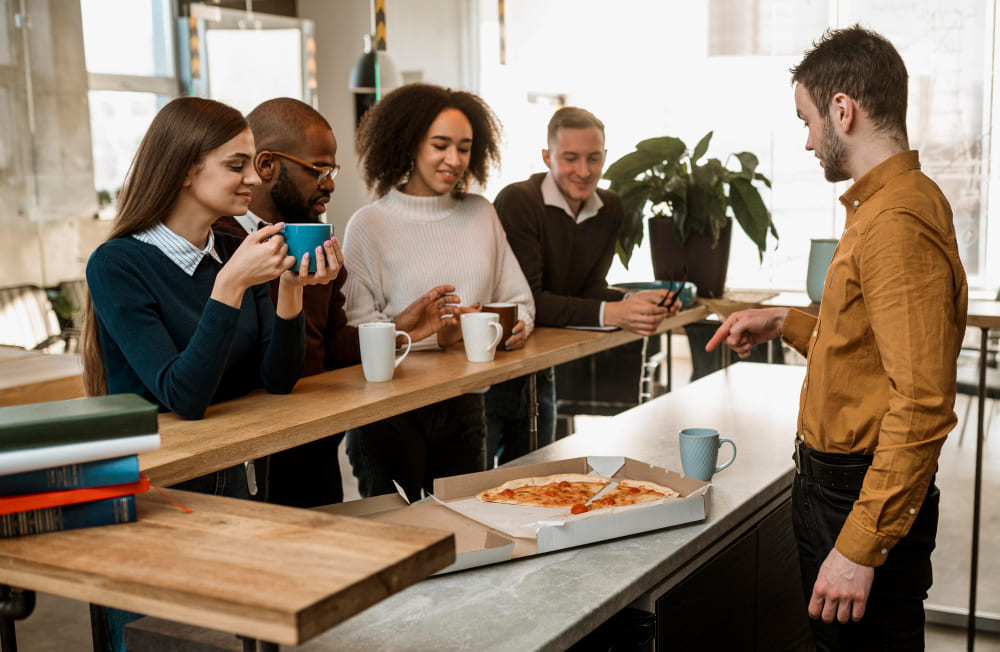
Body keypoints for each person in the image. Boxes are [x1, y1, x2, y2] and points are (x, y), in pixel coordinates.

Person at [706, 25, 967, 651]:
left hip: (857, 492)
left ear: (843, 110)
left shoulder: (896, 222)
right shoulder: (888, 204)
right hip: (843, 485)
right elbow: (871, 347)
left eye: (807, 120)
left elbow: (922, 400)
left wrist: (857, 546)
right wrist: (785, 322)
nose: (806, 140)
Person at [81, 97, 340, 651]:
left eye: (252, 162)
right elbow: (183, 394)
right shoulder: (118, 264)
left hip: (228, 482)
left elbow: (277, 378)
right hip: (153, 498)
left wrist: (291, 285)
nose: (253, 179)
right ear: (182, 171)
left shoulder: (231, 246)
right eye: (235, 164)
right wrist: (231, 287)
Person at [212, 97, 457, 507]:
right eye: (318, 169)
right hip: (252, 456)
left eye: (332, 170)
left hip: (315, 441)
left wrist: (401, 330)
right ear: (267, 165)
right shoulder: (220, 244)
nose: (329, 183)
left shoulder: (314, 240)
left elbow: (329, 345)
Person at [342, 82, 535, 502]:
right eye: (441, 145)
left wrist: (512, 329)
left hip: (465, 406)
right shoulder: (367, 225)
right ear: (409, 143)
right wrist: (423, 331)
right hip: (388, 412)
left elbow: (520, 302)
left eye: (464, 147)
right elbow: (356, 332)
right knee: (400, 539)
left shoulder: (481, 213)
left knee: (466, 535)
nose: (455, 160)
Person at [488, 106, 678, 465]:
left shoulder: (610, 207)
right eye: (570, 158)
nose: (584, 171)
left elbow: (589, 288)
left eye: (594, 158)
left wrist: (637, 300)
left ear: (605, 156)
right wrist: (616, 311)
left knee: (535, 478)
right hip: (496, 367)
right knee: (480, 485)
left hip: (542, 367)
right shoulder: (519, 201)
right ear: (547, 157)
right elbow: (530, 303)